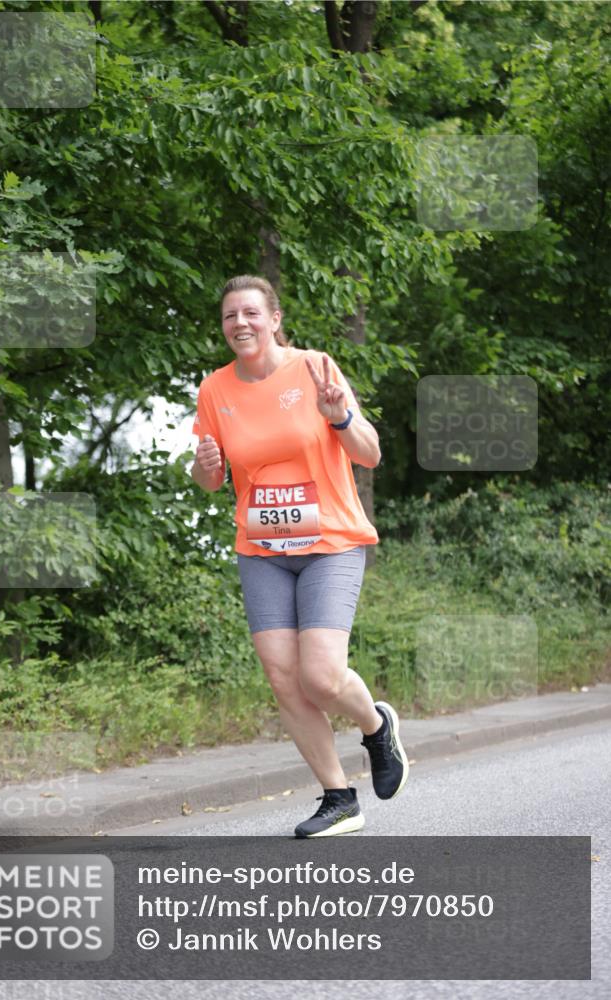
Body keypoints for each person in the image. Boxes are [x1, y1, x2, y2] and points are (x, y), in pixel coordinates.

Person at [191, 274, 408, 837]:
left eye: (250, 313)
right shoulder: (215, 390)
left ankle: (375, 724)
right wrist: (207, 466)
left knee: (320, 674)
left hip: (329, 541)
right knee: (285, 679)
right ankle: (339, 799)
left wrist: (340, 417)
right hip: (261, 549)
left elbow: (370, 454)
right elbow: (209, 480)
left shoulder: (314, 368)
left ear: (275, 319)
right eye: (229, 316)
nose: (239, 324)